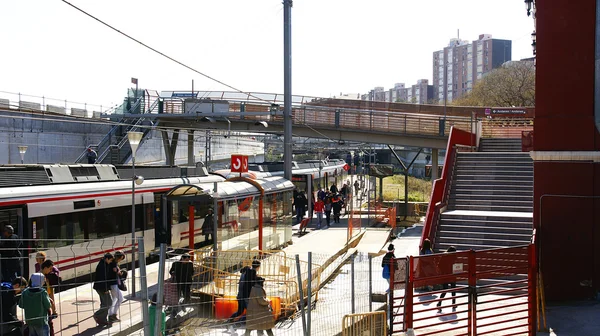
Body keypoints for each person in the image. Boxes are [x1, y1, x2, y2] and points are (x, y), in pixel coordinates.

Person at [227, 260, 260, 333]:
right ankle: (235, 325)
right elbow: (251, 284)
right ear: (258, 267)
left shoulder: (245, 271)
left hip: (240, 295)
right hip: (246, 296)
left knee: (240, 311)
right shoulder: (252, 272)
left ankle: (228, 323)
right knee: (251, 313)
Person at [92, 253, 114, 326]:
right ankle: (97, 315)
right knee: (109, 303)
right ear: (107, 259)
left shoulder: (104, 264)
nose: (110, 262)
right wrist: (106, 289)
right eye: (110, 260)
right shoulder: (102, 266)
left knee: (104, 303)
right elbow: (102, 278)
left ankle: (102, 320)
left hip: (100, 287)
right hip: (101, 288)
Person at [437, 246, 457, 313]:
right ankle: (453, 303)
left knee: (445, 289)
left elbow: (439, 265)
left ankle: (439, 303)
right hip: (451, 274)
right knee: (453, 289)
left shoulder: (444, 256)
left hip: (446, 274)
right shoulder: (452, 257)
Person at [108, 251, 126, 322]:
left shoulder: (113, 263)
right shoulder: (113, 264)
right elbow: (114, 272)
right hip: (113, 284)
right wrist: (117, 272)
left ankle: (110, 315)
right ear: (118, 258)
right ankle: (113, 314)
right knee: (120, 299)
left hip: (113, 284)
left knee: (114, 299)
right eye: (121, 259)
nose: (120, 260)